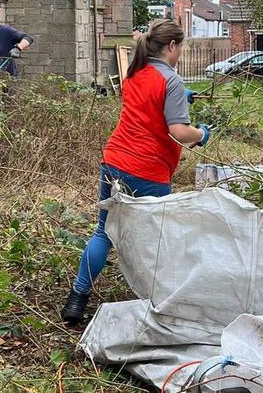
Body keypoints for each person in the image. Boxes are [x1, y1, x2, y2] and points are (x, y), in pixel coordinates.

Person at [60, 19, 210, 325]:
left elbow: (147, 105)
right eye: (181, 47)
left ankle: (76, 300)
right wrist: (202, 135)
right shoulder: (172, 82)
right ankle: (161, 306)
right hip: (148, 172)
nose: (180, 52)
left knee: (104, 233)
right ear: (171, 46)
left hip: (114, 163)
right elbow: (179, 132)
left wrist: (182, 96)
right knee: (156, 241)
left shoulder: (134, 74)